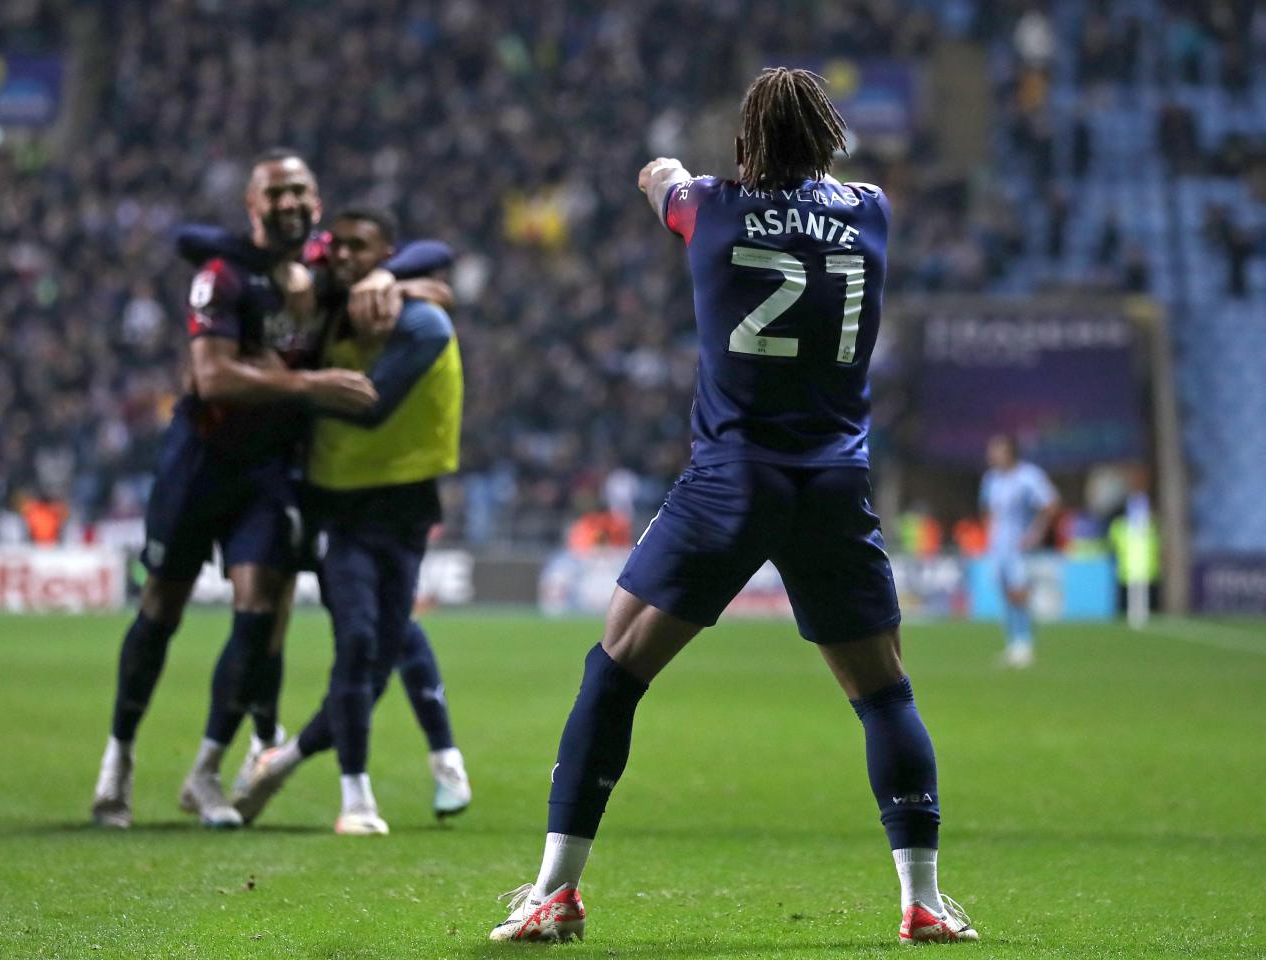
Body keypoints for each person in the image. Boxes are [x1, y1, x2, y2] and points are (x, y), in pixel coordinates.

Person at [490, 68, 978, 946]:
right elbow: (830, 191)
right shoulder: (871, 210)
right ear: (830, 138)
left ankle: (554, 893)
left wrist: (665, 167)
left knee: (615, 669)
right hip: (833, 483)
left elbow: (661, 182)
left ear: (748, 139)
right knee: (884, 694)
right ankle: (924, 902)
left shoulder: (709, 207)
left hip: (731, 478)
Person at [90, 150, 379, 829]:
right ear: (253, 206)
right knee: (161, 608)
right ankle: (118, 761)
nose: (290, 201)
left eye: (300, 190)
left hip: (268, 471)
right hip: (200, 460)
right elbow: (213, 378)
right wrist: (306, 385)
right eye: (275, 192)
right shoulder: (221, 276)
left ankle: (205, 772)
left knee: (259, 610)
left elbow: (428, 260)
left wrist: (393, 276)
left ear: (316, 200)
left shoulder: (324, 271)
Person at [225, 207, 470, 834]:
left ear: (385, 252)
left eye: (360, 249)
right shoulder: (328, 300)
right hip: (335, 503)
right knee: (359, 641)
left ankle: (286, 758)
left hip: (405, 505)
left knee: (385, 645)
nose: (340, 257)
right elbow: (208, 244)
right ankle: (356, 797)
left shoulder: (420, 322)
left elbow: (370, 407)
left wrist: (292, 382)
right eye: (336, 246)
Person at [979, 434, 1059, 668]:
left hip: (1019, 545)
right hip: (998, 546)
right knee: (1005, 592)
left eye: (997, 450)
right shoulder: (991, 479)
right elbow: (986, 509)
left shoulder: (1028, 476)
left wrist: (1035, 532)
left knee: (1018, 591)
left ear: (1010, 452)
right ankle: (1013, 643)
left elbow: (1051, 504)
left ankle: (1025, 643)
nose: (991, 455)